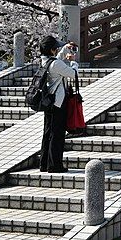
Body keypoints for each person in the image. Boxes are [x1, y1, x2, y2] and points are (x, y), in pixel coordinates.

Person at [39, 35, 78, 173]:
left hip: (49, 102)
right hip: (59, 102)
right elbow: (73, 74)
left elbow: (56, 62)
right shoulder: (55, 64)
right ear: (51, 50)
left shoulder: (44, 61)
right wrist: (73, 62)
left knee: (48, 133)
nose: (57, 49)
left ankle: (44, 163)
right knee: (57, 134)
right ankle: (55, 165)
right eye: (56, 48)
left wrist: (63, 52)